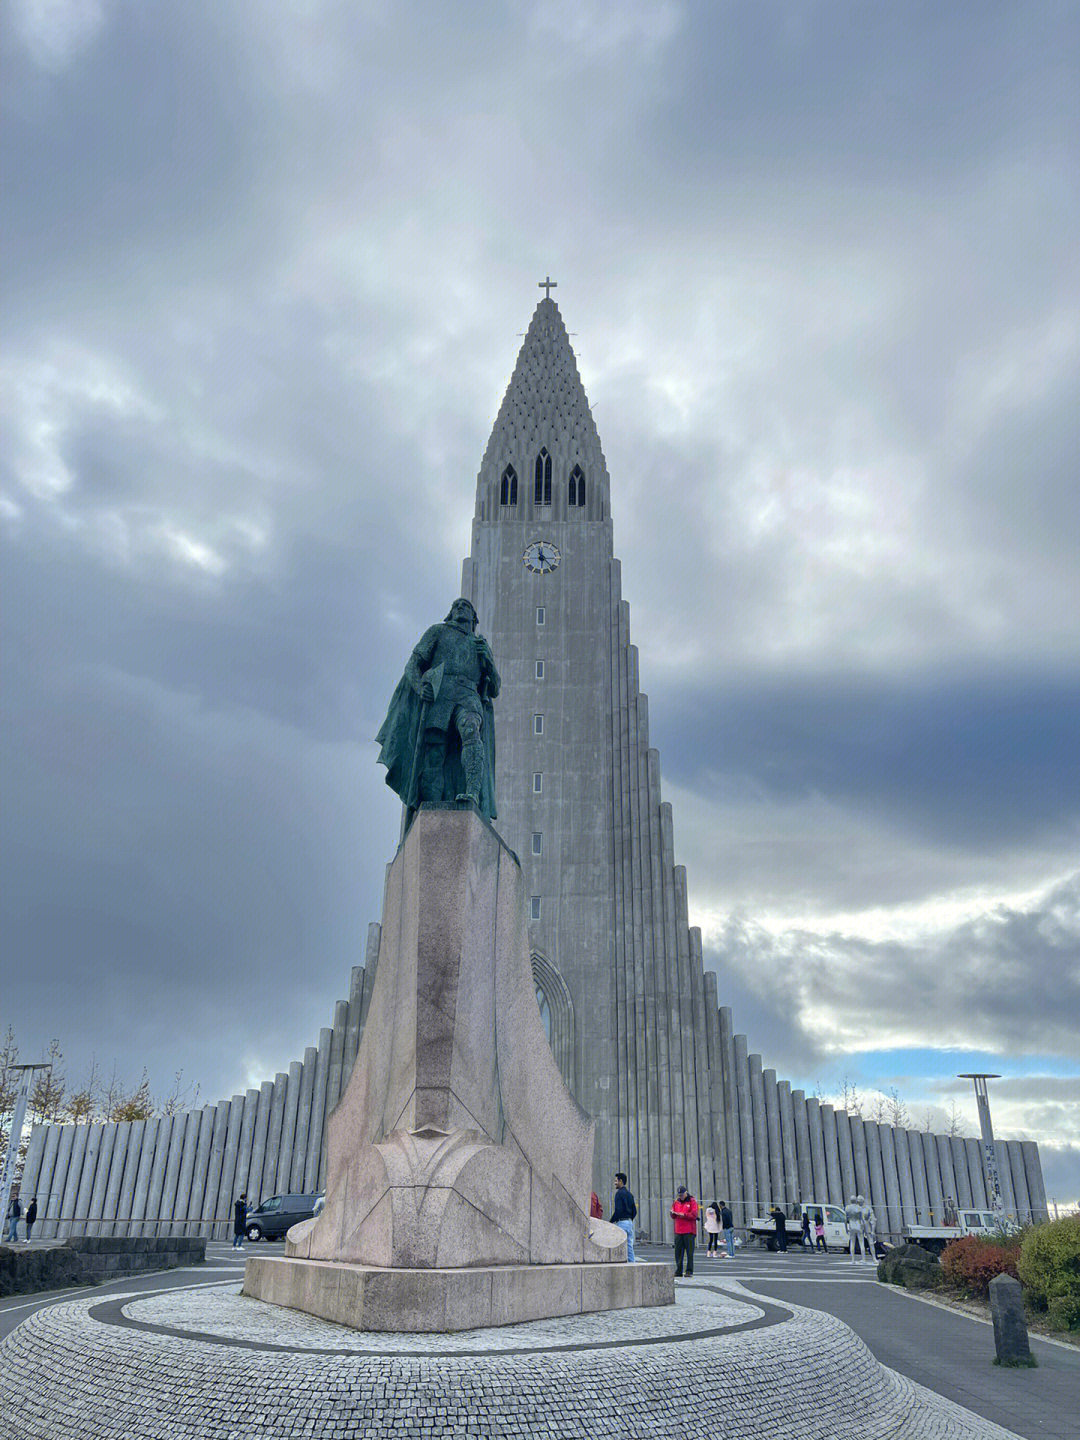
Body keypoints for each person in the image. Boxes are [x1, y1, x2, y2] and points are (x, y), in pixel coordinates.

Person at [376, 598, 501, 828]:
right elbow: (412, 665)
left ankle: (472, 793)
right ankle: (431, 806)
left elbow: (494, 688)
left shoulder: (480, 645)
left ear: (474, 618)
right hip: (440, 696)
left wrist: (489, 663)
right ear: (450, 613)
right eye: (456, 606)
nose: (461, 607)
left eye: (466, 606)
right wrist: (419, 685)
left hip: (468, 695)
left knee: (471, 730)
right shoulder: (437, 632)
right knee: (434, 753)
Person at [671, 1185, 699, 1277]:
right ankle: (679, 1270)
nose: (681, 1197)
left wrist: (684, 1215)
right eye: (679, 1195)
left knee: (689, 1252)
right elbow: (673, 1215)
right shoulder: (676, 1202)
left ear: (686, 1193)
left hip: (689, 1231)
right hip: (678, 1230)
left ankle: (689, 1271)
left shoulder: (692, 1201)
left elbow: (694, 1214)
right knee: (678, 1252)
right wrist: (672, 1214)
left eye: (682, 1194)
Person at [610, 1172, 637, 1263]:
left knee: (618, 1246)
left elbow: (618, 1210)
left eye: (616, 1181)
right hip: (629, 1222)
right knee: (629, 1246)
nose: (615, 1183)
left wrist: (610, 1222)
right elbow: (634, 1211)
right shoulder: (630, 1194)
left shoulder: (619, 1194)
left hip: (621, 1222)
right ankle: (632, 1264)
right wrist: (629, 1219)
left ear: (620, 1181)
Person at [845, 1195, 864, 1263]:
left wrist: (846, 1228)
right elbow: (862, 1219)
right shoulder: (859, 1208)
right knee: (861, 1242)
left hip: (851, 1225)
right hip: (858, 1225)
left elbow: (846, 1219)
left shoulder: (847, 1208)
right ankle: (863, 1258)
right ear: (856, 1200)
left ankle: (852, 1260)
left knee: (852, 1243)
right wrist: (863, 1226)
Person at [861, 1196, 878, 1263]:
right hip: (862, 1226)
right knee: (863, 1243)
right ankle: (865, 1258)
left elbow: (873, 1219)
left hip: (865, 1226)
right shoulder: (859, 1208)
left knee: (869, 1243)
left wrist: (873, 1230)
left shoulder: (867, 1208)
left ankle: (873, 1258)